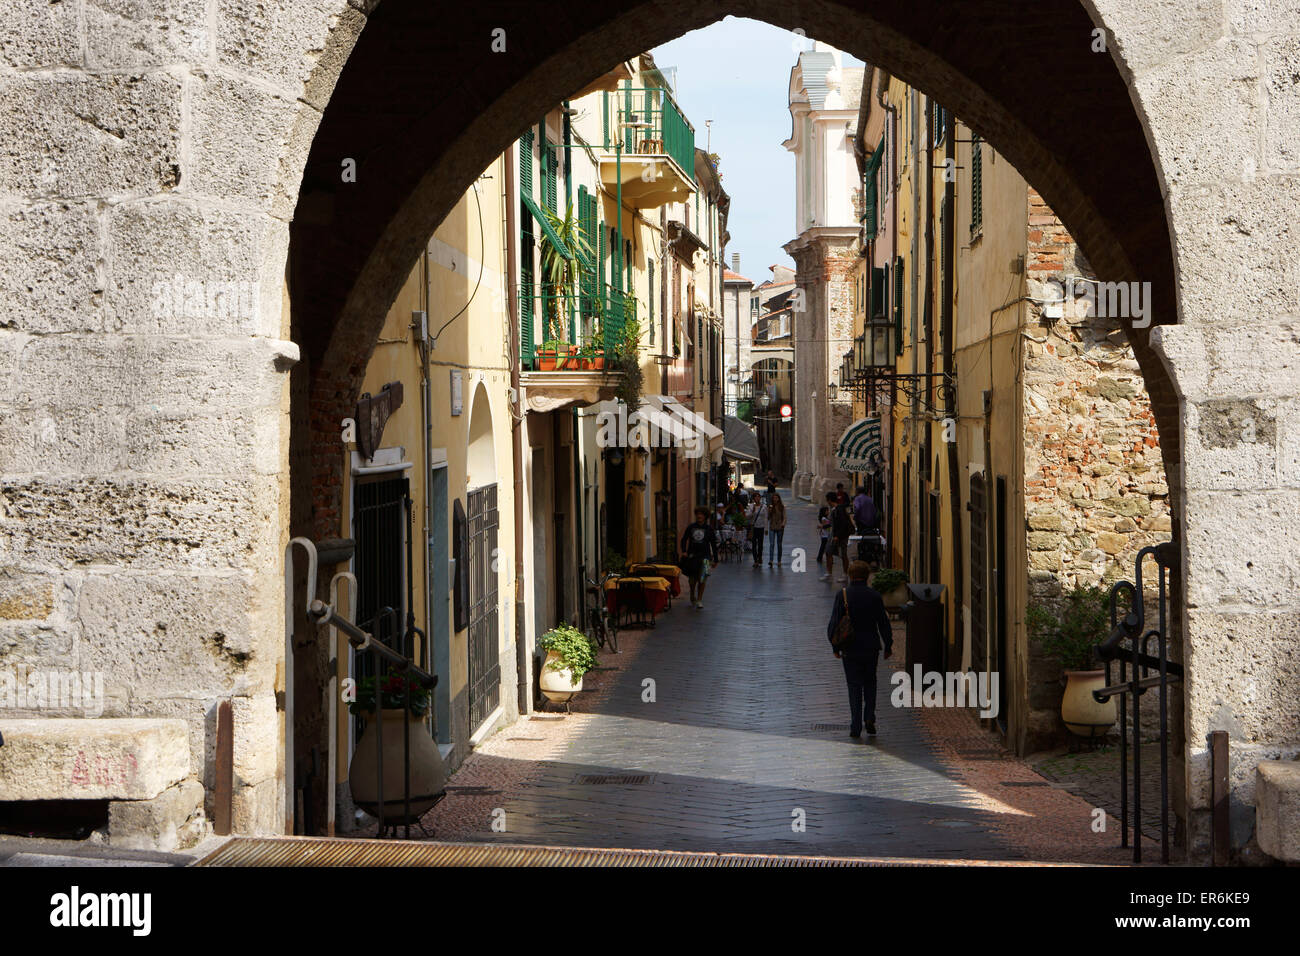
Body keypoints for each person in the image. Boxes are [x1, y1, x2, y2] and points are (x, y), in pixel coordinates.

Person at [826, 560, 894, 738]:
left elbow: (834, 623)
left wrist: (835, 646)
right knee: (870, 682)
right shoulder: (874, 596)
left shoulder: (843, 596)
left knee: (854, 685)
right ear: (867, 576)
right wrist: (888, 644)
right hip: (871, 647)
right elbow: (883, 623)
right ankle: (869, 716)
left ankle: (855, 724)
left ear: (850, 575)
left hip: (850, 648)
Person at [680, 507, 719, 609]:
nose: (699, 516)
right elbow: (684, 539)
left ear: (705, 516)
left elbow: (713, 544)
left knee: (702, 579)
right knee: (692, 580)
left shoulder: (709, 529)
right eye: (697, 514)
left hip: (705, 558)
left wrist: (715, 559)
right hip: (692, 557)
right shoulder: (691, 527)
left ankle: (699, 599)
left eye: (701, 514)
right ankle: (692, 594)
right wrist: (684, 551)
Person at [823, 493, 854, 582]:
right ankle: (829, 574)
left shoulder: (839, 509)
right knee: (828, 552)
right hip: (834, 535)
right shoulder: (834, 509)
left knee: (843, 555)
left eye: (827, 500)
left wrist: (837, 536)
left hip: (841, 536)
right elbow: (833, 523)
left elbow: (843, 524)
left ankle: (845, 575)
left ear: (829, 500)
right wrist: (824, 526)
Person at [748, 492, 768, 567]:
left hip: (761, 527)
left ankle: (760, 556)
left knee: (760, 544)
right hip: (754, 528)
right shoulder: (751, 506)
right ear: (753, 498)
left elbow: (766, 518)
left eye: (758, 497)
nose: (757, 498)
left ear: (760, 498)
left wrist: (766, 529)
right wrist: (752, 512)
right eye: (755, 497)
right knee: (753, 544)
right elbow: (747, 516)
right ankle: (755, 560)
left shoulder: (764, 507)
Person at [767, 491, 787, 567]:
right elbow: (768, 518)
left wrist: (783, 524)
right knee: (771, 544)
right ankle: (771, 560)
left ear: (779, 499)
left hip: (780, 527)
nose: (775, 499)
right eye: (774, 498)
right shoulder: (770, 507)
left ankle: (779, 560)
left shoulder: (782, 507)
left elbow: (785, 517)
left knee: (779, 544)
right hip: (772, 527)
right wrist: (769, 511)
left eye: (776, 498)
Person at [815, 501, 832, 571]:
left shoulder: (825, 518)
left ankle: (820, 557)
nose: (828, 512)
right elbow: (825, 526)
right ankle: (820, 557)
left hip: (825, 534)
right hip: (825, 535)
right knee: (824, 546)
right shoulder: (824, 519)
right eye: (827, 511)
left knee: (823, 546)